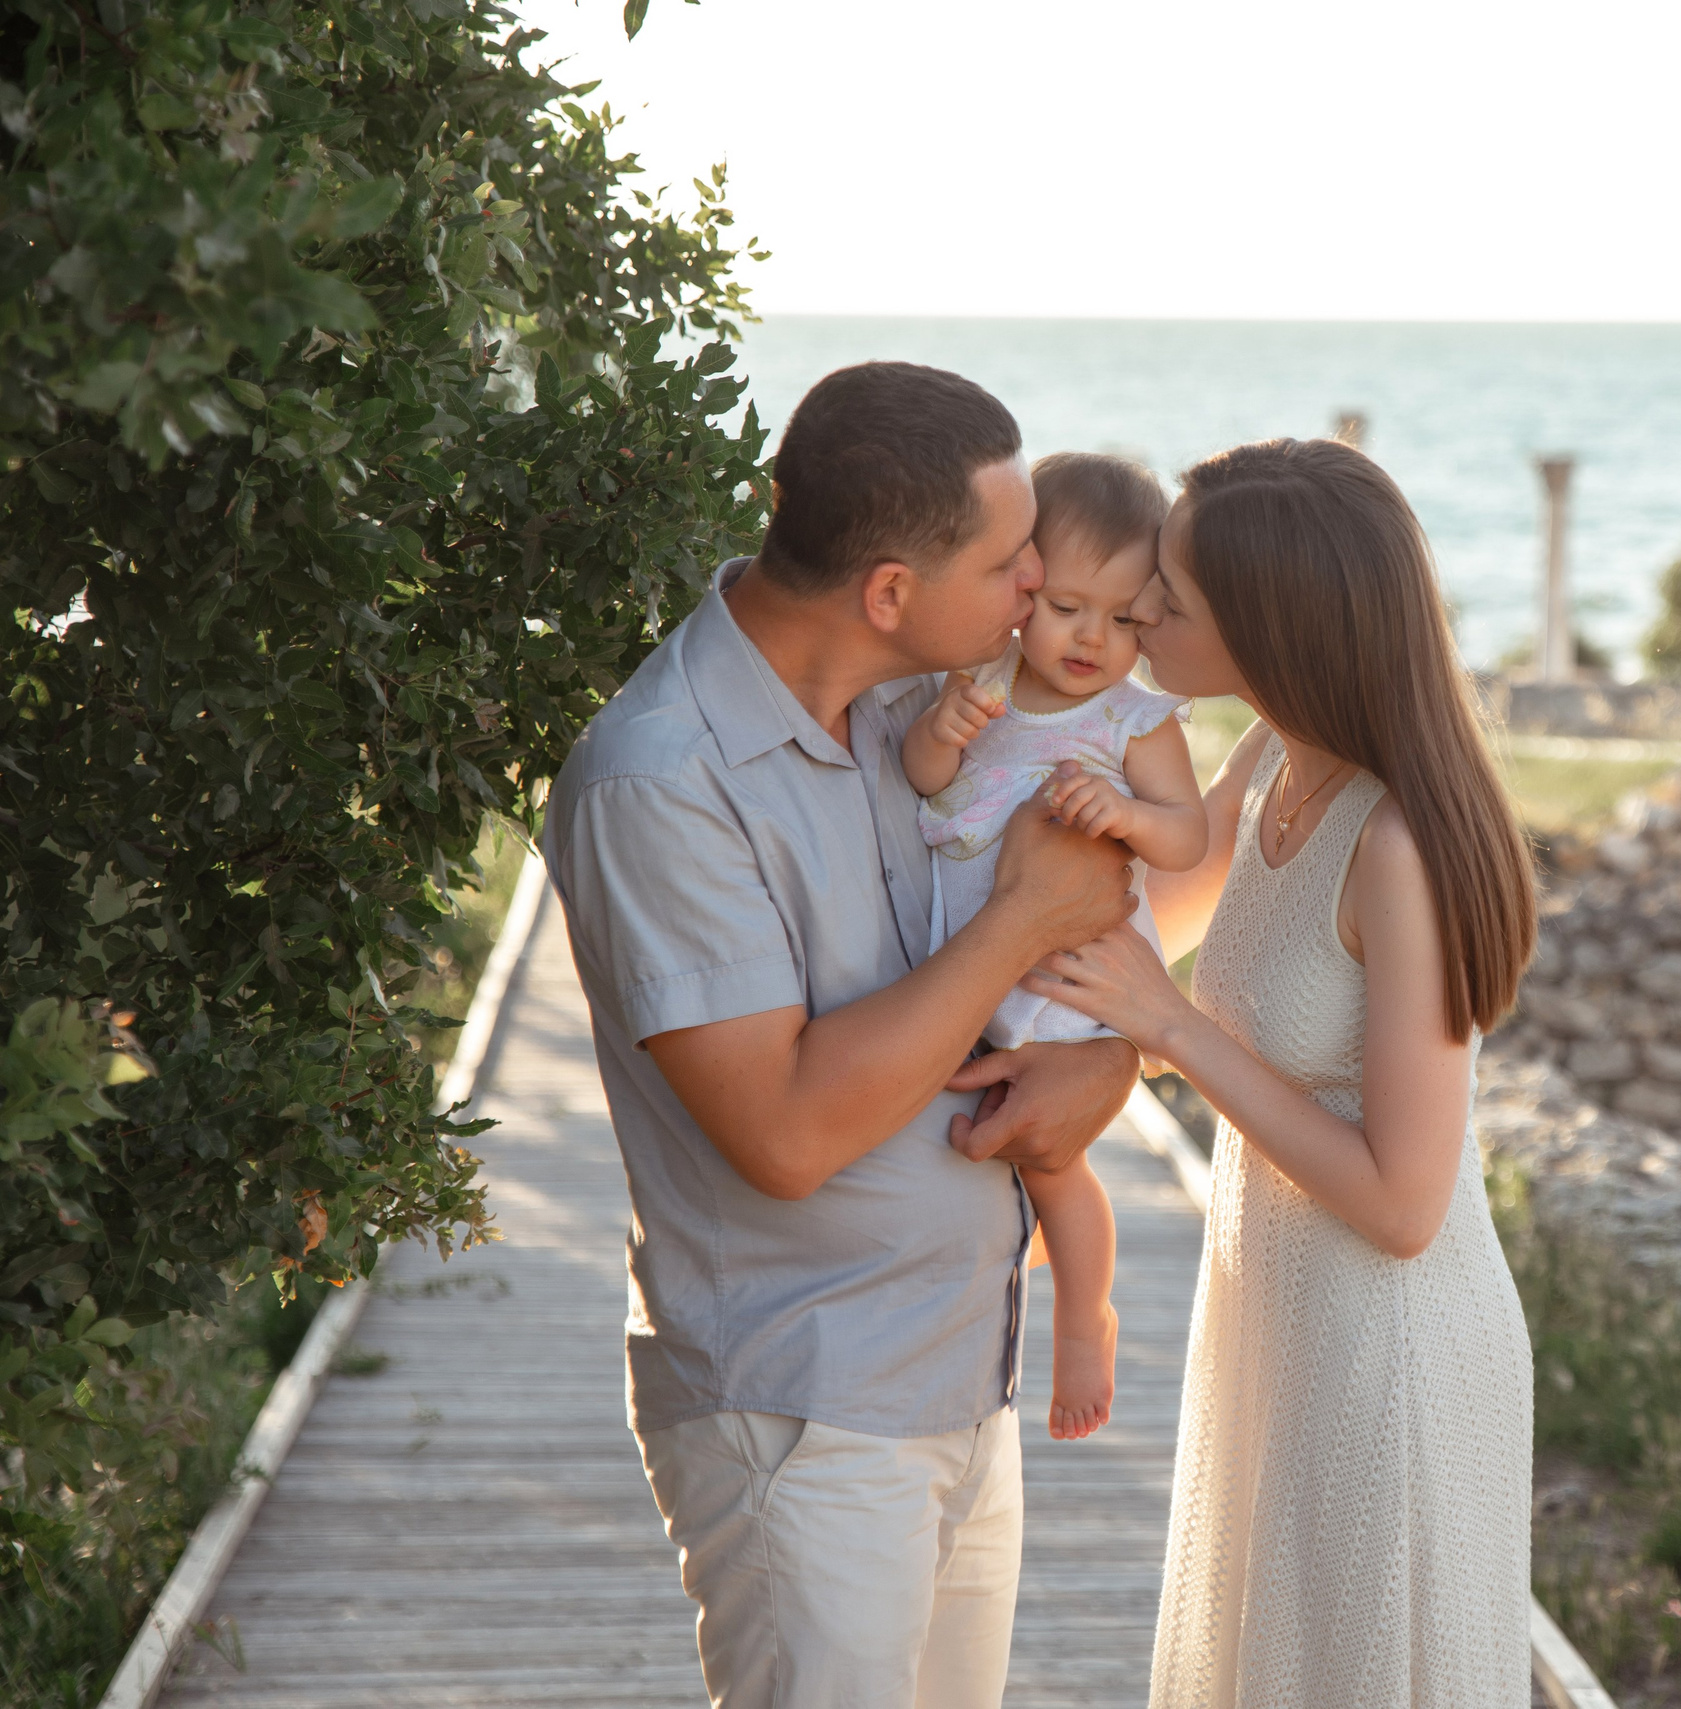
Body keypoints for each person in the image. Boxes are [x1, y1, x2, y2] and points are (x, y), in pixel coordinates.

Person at [540, 361, 1141, 1709]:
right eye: (1008, 563)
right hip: (808, 1415)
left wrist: (1106, 1060)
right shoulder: (660, 781)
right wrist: (1021, 915)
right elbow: (789, 1131)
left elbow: (1044, 972)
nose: (1037, 586)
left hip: (958, 1372)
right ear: (888, 591)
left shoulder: (910, 722)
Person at [1023, 436, 1541, 1707]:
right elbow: (1137, 925)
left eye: (1171, 598)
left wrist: (1175, 1033)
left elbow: (1404, 1204)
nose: (1140, 609)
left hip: (1389, 1343)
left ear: (1274, 628)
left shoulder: (1399, 845)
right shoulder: (1267, 766)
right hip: (1278, 1308)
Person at [903, 450, 1206, 1441]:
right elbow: (921, 776)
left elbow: (1186, 834)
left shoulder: (1131, 717)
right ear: (1023, 585)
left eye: (1126, 618)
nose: (1095, 637)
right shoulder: (977, 680)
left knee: (1055, 1158)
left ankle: (1084, 1318)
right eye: (1072, 605)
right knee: (960, 1134)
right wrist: (942, 730)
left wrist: (1123, 812)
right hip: (962, 952)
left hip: (1069, 976)